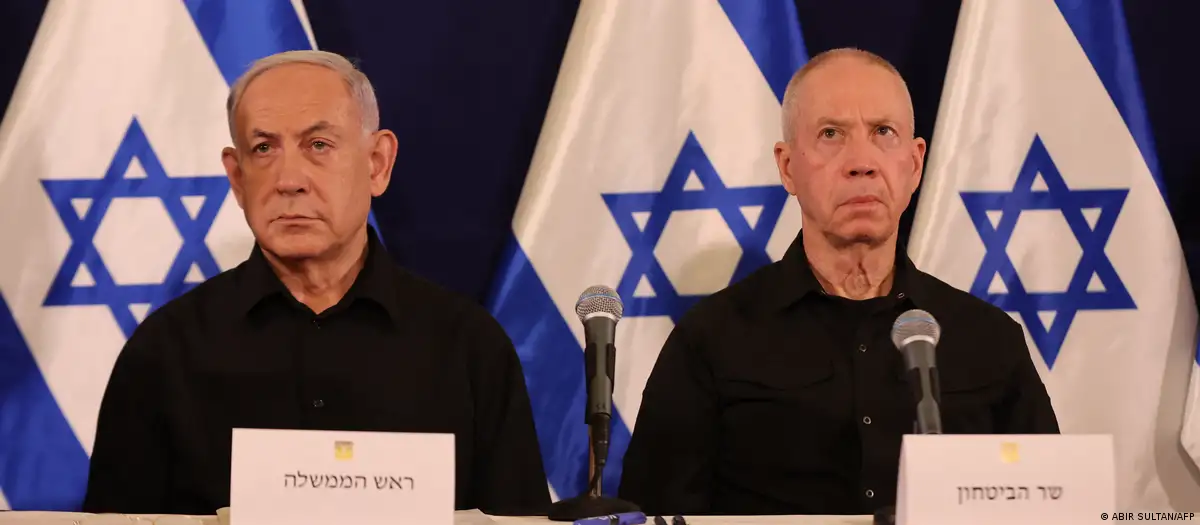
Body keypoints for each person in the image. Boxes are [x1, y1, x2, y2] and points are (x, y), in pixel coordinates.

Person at [82, 50, 549, 516]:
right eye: (263, 149)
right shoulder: (165, 352)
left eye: (318, 145)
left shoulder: (468, 348)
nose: (289, 180)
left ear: (377, 163)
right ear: (237, 178)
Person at [618, 48, 1059, 516]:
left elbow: (1052, 506)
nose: (861, 162)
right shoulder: (711, 340)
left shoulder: (989, 340)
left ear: (914, 164)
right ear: (788, 167)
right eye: (831, 134)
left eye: (883, 132)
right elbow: (650, 515)